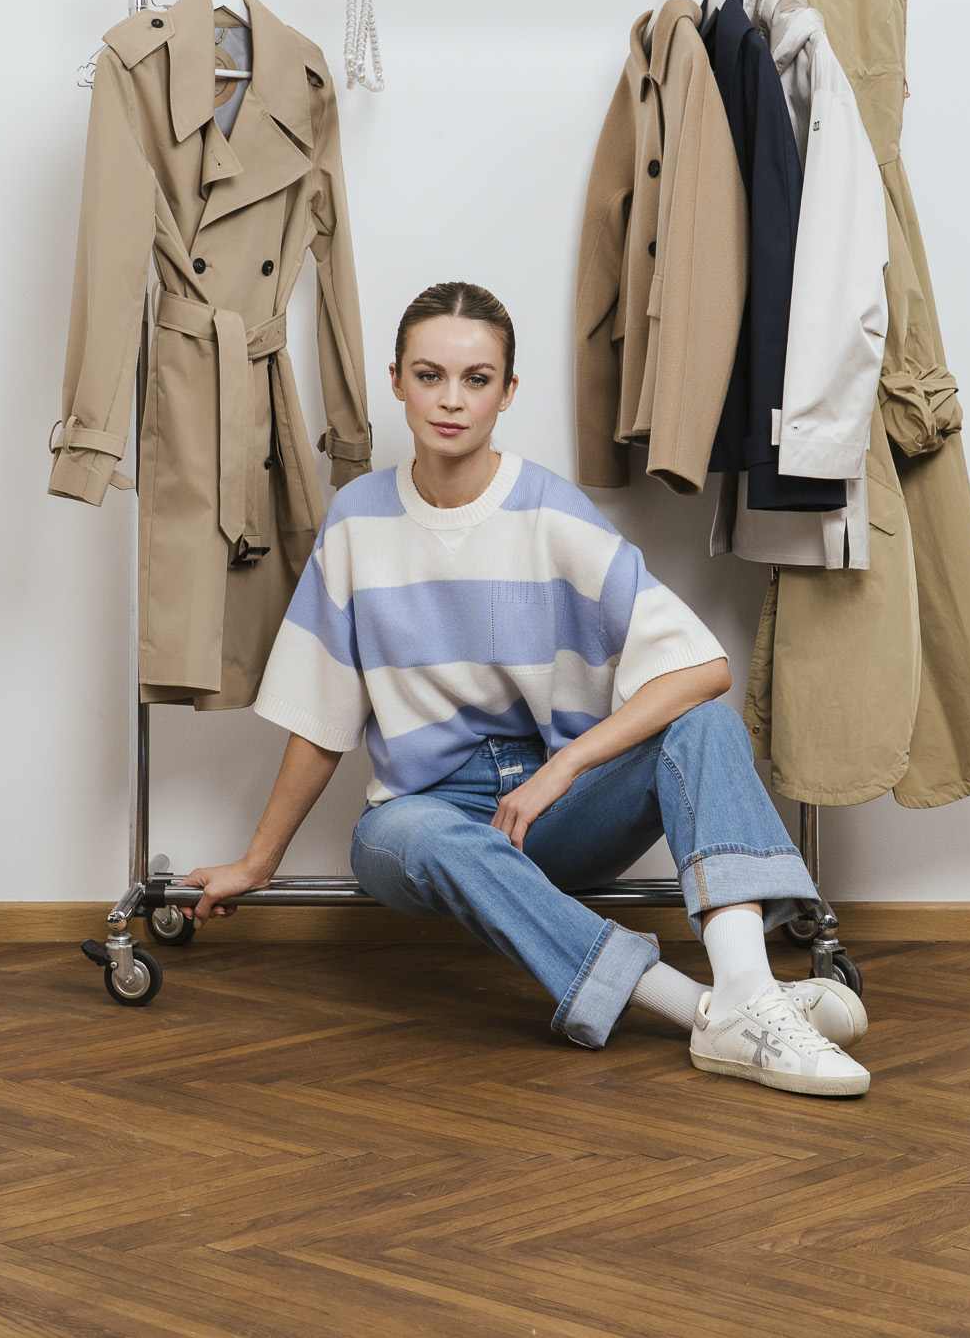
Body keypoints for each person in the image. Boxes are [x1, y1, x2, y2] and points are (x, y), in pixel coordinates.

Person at [182, 282, 869, 1096]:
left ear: (509, 393)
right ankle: (705, 1010)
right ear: (396, 379)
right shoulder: (356, 519)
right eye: (430, 374)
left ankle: (751, 994)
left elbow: (703, 667)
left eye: (477, 379)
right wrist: (258, 862)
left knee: (707, 727)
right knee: (428, 835)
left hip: (550, 811)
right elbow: (321, 716)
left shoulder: (551, 512)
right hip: (418, 821)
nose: (450, 399)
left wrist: (564, 767)